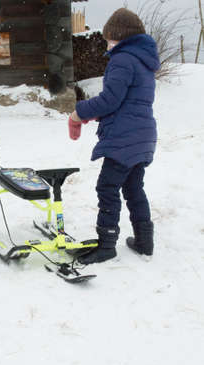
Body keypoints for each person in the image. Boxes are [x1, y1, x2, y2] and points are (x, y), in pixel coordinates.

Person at [68, 8, 160, 265]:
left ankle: (106, 244)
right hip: (143, 136)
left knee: (107, 188)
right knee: (133, 188)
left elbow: (110, 100)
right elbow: (127, 103)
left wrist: (78, 113)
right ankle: (144, 241)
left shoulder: (122, 59)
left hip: (124, 139)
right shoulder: (143, 62)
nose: (106, 44)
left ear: (119, 37)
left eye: (109, 39)